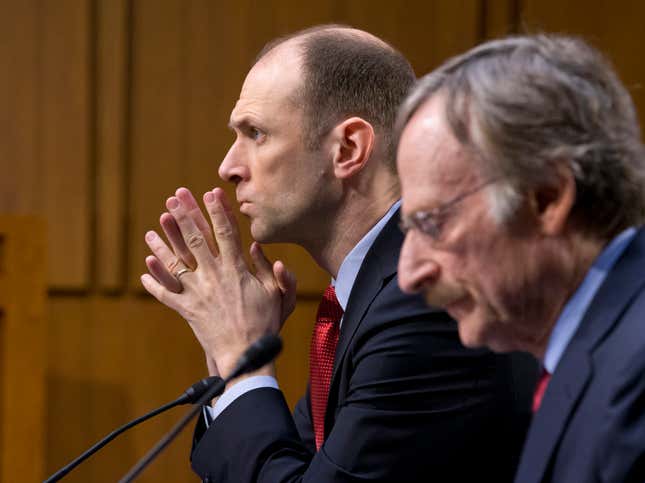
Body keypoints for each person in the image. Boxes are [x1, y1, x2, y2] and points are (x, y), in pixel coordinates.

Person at [141, 25, 537, 482]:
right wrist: (230, 358)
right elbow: (299, 470)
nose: (229, 167)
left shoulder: (424, 300)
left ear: (348, 148)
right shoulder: (367, 294)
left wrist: (238, 352)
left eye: (256, 133)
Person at [396, 34, 645, 483]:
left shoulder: (635, 376)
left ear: (546, 200)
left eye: (431, 224)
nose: (408, 275)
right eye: (407, 229)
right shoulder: (587, 347)